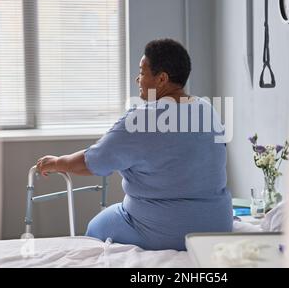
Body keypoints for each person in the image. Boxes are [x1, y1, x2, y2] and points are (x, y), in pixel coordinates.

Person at [36, 38, 233, 251]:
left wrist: (57, 162)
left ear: (162, 79)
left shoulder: (141, 119)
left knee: (96, 227)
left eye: (142, 72)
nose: (137, 79)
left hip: (163, 230)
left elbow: (92, 162)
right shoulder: (207, 109)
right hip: (217, 226)